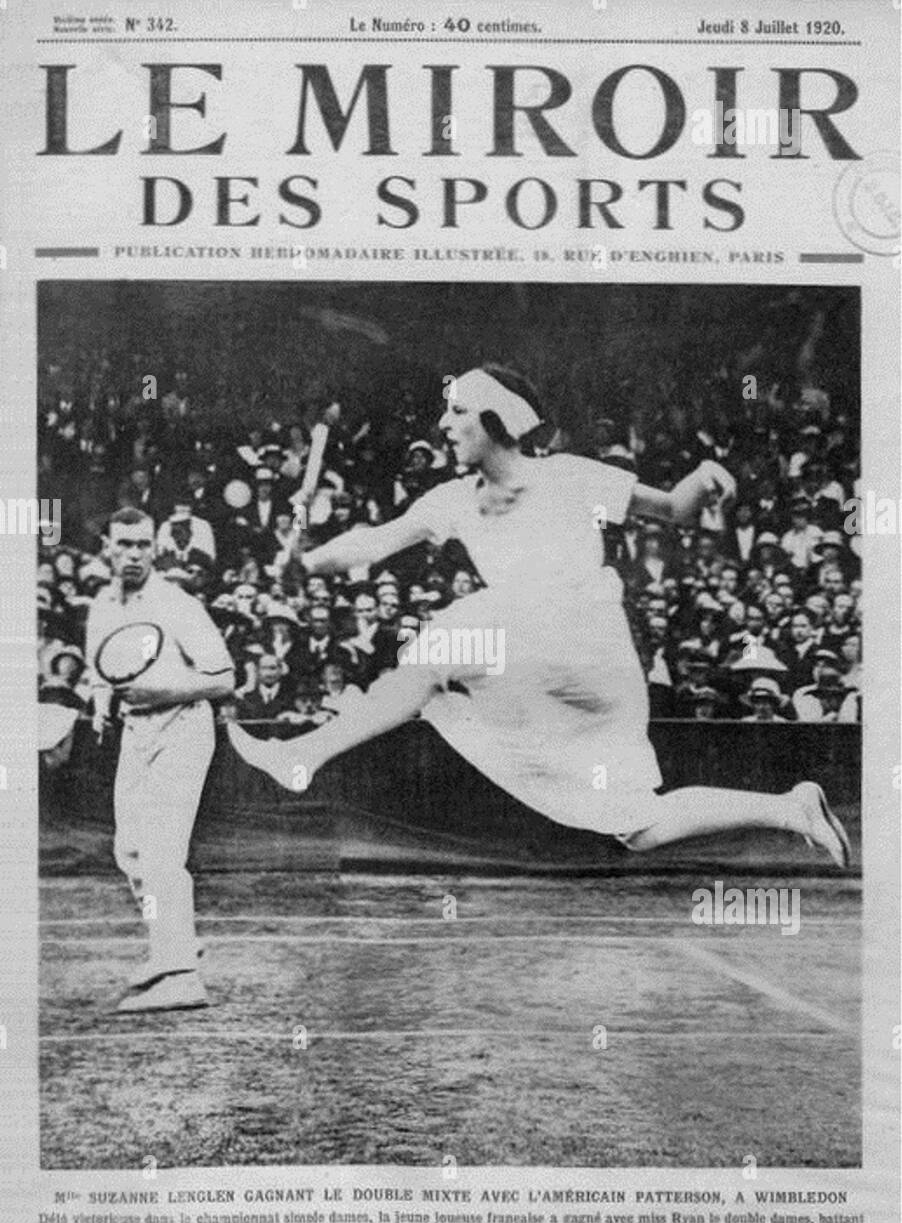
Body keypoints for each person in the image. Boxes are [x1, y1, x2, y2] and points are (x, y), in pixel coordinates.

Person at [226, 366, 850, 867]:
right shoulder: (450, 500)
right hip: (537, 666)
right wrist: (306, 564)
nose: (444, 424)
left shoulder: (573, 476)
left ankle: (302, 755)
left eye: (459, 411)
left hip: (594, 658)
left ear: (499, 420)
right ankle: (790, 810)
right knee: (638, 827)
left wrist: (708, 475)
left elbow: (676, 510)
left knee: (436, 652)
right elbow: (371, 541)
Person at [86, 508, 235, 1012]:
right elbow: (100, 673)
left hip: (184, 727)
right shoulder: (102, 604)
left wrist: (160, 689)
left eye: (143, 545)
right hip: (136, 731)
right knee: (129, 851)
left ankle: (183, 977)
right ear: (107, 546)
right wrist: (102, 703)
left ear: (155, 548)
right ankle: (167, 945)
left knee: (160, 853)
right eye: (124, 544)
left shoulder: (177, 603)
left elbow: (224, 678)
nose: (133, 554)